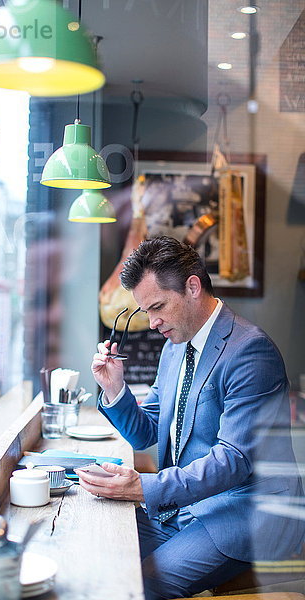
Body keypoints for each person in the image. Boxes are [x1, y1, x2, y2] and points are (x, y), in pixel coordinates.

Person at [76, 236, 305, 600]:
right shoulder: (174, 346)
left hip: (246, 512)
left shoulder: (250, 350)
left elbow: (234, 460)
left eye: (158, 307)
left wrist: (143, 487)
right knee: (95, 541)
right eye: (146, 312)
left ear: (192, 287)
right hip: (188, 507)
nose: (152, 323)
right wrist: (114, 390)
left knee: (144, 585)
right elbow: (146, 431)